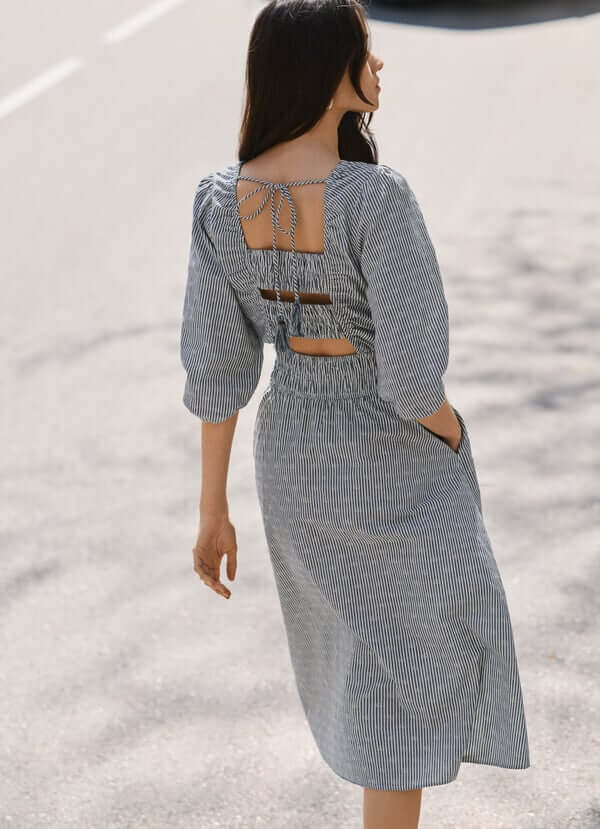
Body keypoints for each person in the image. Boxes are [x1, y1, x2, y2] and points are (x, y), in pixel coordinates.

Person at [179, 1, 530, 826]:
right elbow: (411, 384)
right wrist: (452, 435)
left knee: (374, 664)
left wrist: (212, 509)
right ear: (325, 70)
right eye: (365, 50)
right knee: (434, 646)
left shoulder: (219, 201)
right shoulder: (376, 198)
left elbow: (218, 367)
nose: (379, 65)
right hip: (390, 453)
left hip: (293, 457)